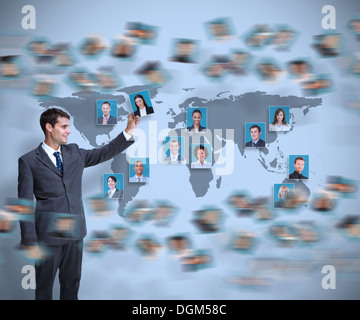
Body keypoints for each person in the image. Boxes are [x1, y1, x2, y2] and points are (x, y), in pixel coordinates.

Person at [18, 107, 139, 300]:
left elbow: (103, 153)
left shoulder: (74, 152)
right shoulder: (28, 161)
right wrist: (29, 240)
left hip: (75, 234)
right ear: (49, 127)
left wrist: (128, 131)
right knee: (43, 288)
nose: (69, 130)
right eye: (64, 126)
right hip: (47, 238)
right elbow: (24, 203)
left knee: (71, 285)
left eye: (69, 126)